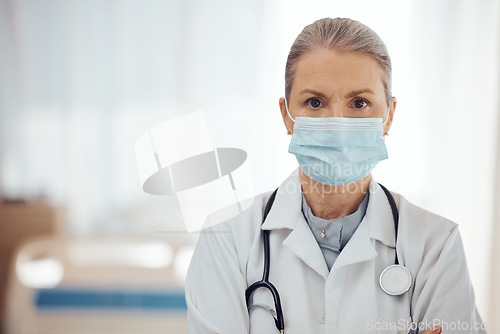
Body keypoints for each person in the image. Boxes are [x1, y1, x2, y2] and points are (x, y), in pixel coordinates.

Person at [185, 17, 486, 334]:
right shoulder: (227, 239)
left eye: (360, 103)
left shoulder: (435, 244)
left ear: (389, 116)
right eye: (315, 102)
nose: (338, 124)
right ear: (287, 116)